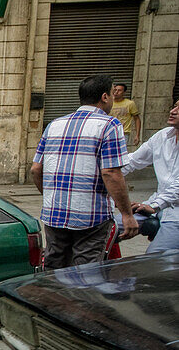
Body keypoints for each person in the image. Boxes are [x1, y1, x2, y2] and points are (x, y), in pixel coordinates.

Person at [30, 74, 138, 269]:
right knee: (84, 273)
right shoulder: (109, 125)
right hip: (91, 216)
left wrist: (51, 197)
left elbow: (36, 168)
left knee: (53, 269)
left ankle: (51, 299)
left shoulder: (54, 124)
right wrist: (127, 214)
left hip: (54, 213)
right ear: (105, 97)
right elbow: (111, 172)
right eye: (112, 95)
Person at [122, 98, 179, 252]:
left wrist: (153, 206)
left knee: (153, 258)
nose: (173, 111)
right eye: (174, 106)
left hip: (175, 215)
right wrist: (108, 173)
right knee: (109, 228)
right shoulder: (163, 136)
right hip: (156, 207)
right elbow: (133, 160)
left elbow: (176, 189)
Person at [111, 83, 141, 147]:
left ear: (124, 92)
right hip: (109, 132)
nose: (116, 92)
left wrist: (137, 135)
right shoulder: (108, 103)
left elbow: (137, 119)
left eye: (119, 90)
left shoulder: (130, 104)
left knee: (121, 153)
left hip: (123, 133)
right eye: (115, 90)